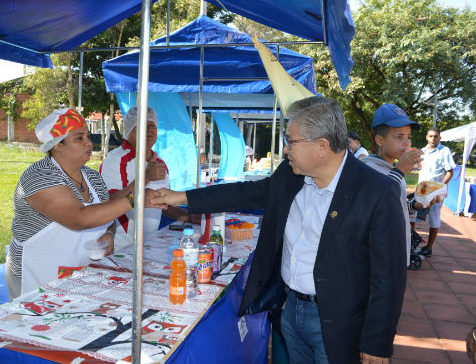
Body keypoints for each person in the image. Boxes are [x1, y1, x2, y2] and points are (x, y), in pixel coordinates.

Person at [152, 96, 406, 364]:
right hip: (291, 309)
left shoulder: (376, 191)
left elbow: (389, 276)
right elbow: (245, 193)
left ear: (322, 146)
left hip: (340, 323)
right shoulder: (291, 173)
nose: (286, 150)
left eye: (291, 141)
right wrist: (179, 197)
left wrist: (377, 342)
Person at [6, 108, 162, 298]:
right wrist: (135, 199)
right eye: (79, 138)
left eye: (87, 136)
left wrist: (110, 234)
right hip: (36, 275)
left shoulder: (92, 177)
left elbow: (107, 215)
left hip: (79, 272)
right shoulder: (40, 175)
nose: (89, 142)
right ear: (57, 145)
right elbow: (79, 219)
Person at [100, 106, 198, 251]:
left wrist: (189, 216)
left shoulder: (160, 163)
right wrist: (145, 178)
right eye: (142, 126)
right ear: (129, 131)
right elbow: (108, 203)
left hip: (149, 245)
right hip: (120, 247)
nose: (149, 131)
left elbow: (165, 206)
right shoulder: (116, 159)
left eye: (152, 126)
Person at [360, 103, 429, 266]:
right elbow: (377, 206)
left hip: (395, 251)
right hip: (377, 258)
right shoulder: (368, 169)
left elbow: (396, 205)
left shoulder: (395, 169)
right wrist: (400, 171)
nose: (406, 143)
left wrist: (415, 205)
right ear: (379, 140)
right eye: (399, 137)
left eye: (409, 136)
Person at [415, 127, 456, 257]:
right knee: (414, 215)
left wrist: (440, 188)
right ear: (427, 137)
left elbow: (450, 171)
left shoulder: (444, 151)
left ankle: (429, 247)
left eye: (436, 136)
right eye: (431, 136)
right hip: (422, 190)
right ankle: (411, 242)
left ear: (440, 138)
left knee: (434, 218)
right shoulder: (424, 151)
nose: (433, 138)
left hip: (436, 192)